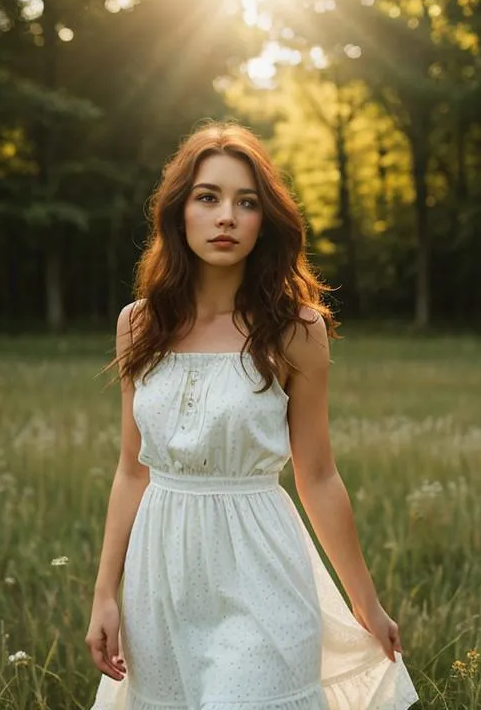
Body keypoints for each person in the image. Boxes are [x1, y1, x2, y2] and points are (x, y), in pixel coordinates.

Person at [85, 120, 419, 709]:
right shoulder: (138, 324)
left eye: (246, 203)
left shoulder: (296, 330)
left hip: (262, 565)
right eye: (208, 198)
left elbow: (318, 475)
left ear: (265, 221)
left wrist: (364, 600)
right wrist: (104, 594)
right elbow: (131, 469)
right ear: (178, 212)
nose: (226, 217)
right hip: (162, 576)